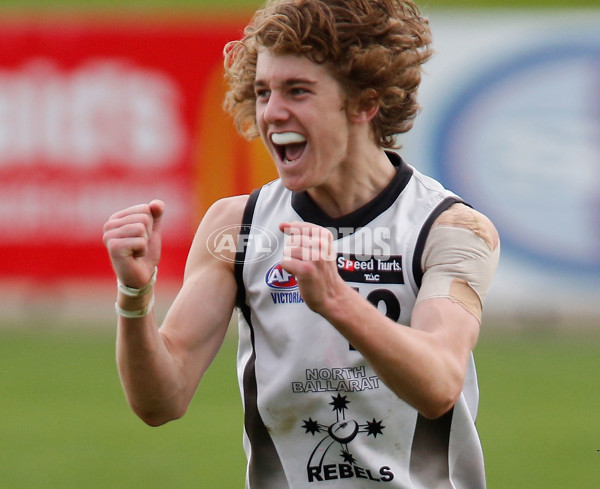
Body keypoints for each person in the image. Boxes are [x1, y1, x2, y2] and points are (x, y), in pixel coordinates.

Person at [102, 0, 500, 487]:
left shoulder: (450, 228)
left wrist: (336, 300)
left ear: (364, 102)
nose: (272, 112)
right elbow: (161, 400)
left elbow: (439, 383)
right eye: (263, 91)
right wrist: (135, 297)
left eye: (298, 91)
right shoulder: (237, 228)